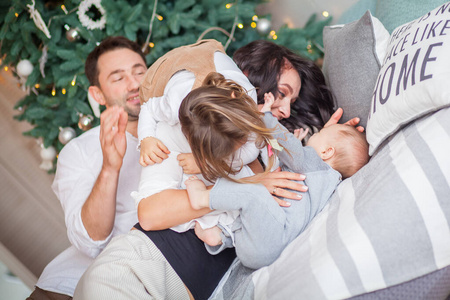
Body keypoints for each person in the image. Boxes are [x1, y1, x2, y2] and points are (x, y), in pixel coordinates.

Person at [73, 40, 361, 299]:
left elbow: (306, 186)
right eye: (281, 93)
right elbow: (150, 213)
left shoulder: (273, 145)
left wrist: (332, 145)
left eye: (292, 102)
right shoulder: (185, 123)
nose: (284, 109)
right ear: (247, 81)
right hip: (141, 270)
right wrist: (253, 186)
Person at [184, 91, 370, 269]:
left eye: (319, 134)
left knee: (254, 193)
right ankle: (222, 236)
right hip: (271, 247)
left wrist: (266, 117)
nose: (313, 137)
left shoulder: (314, 164)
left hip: (271, 238)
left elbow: (285, 144)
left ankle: (202, 197)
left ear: (326, 152)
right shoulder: (327, 186)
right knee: (263, 204)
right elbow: (286, 158)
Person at [27, 36, 147, 300]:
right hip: (71, 286)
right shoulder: (78, 151)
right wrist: (110, 168)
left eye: (140, 71)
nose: (135, 84)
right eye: (118, 78)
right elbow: (89, 242)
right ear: (98, 94)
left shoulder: (182, 126)